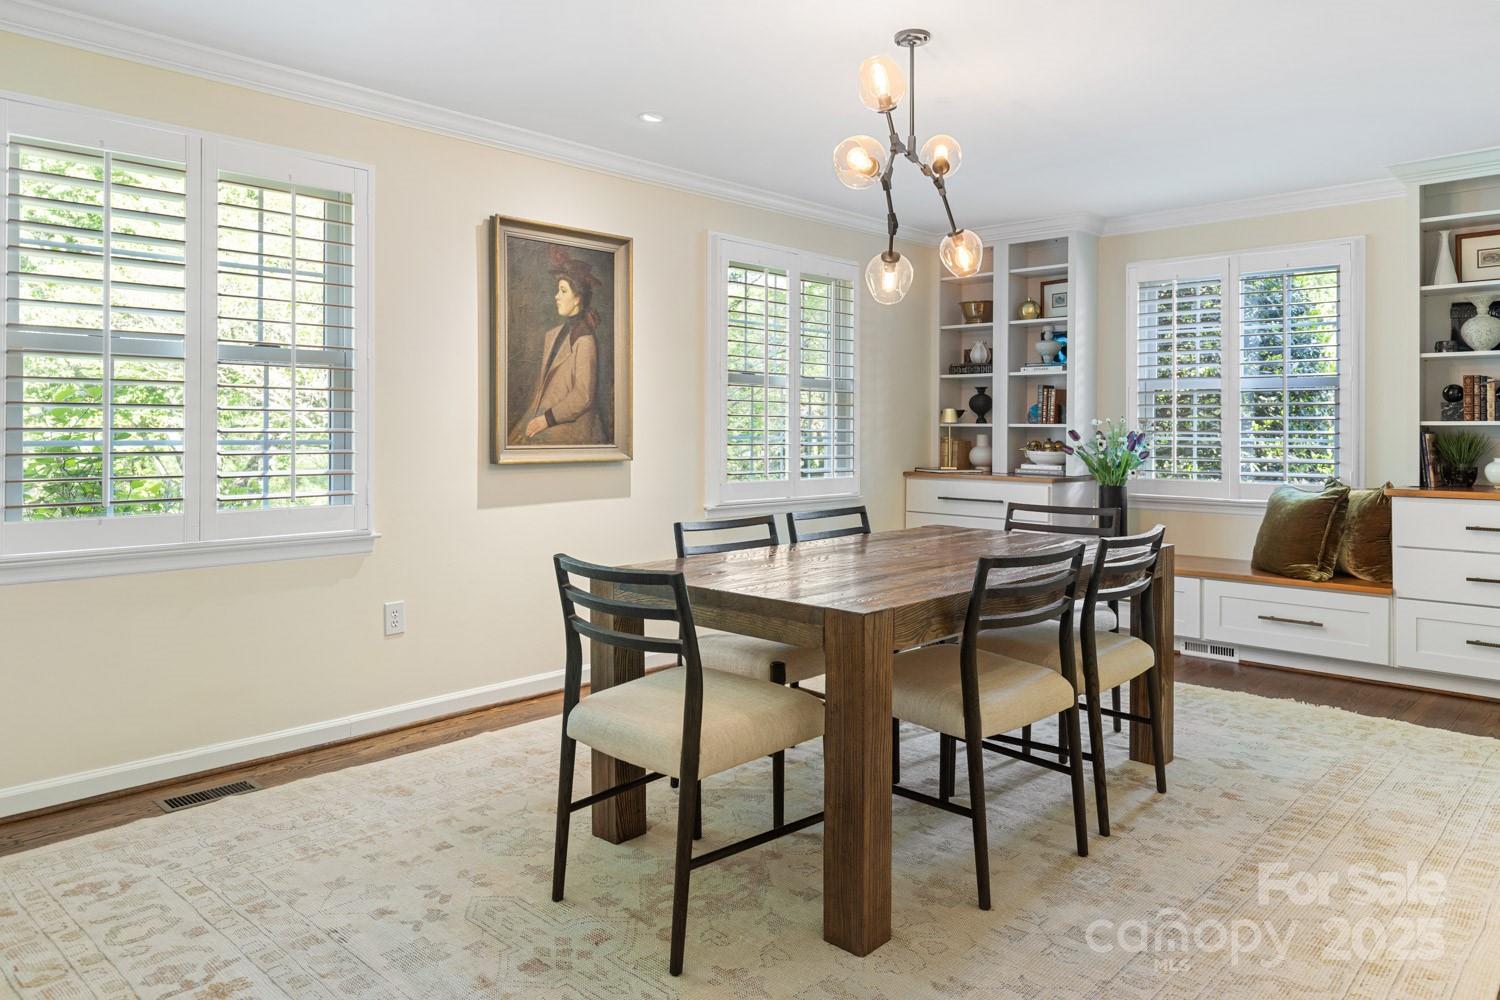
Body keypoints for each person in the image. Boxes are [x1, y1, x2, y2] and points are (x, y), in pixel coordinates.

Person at [511, 248, 605, 446]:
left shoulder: (585, 339)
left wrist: (545, 420)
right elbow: (542, 391)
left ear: (578, 299)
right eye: (557, 290)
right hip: (540, 418)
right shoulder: (553, 335)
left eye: (563, 291)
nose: (556, 296)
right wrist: (530, 420)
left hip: (570, 427)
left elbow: (583, 396)